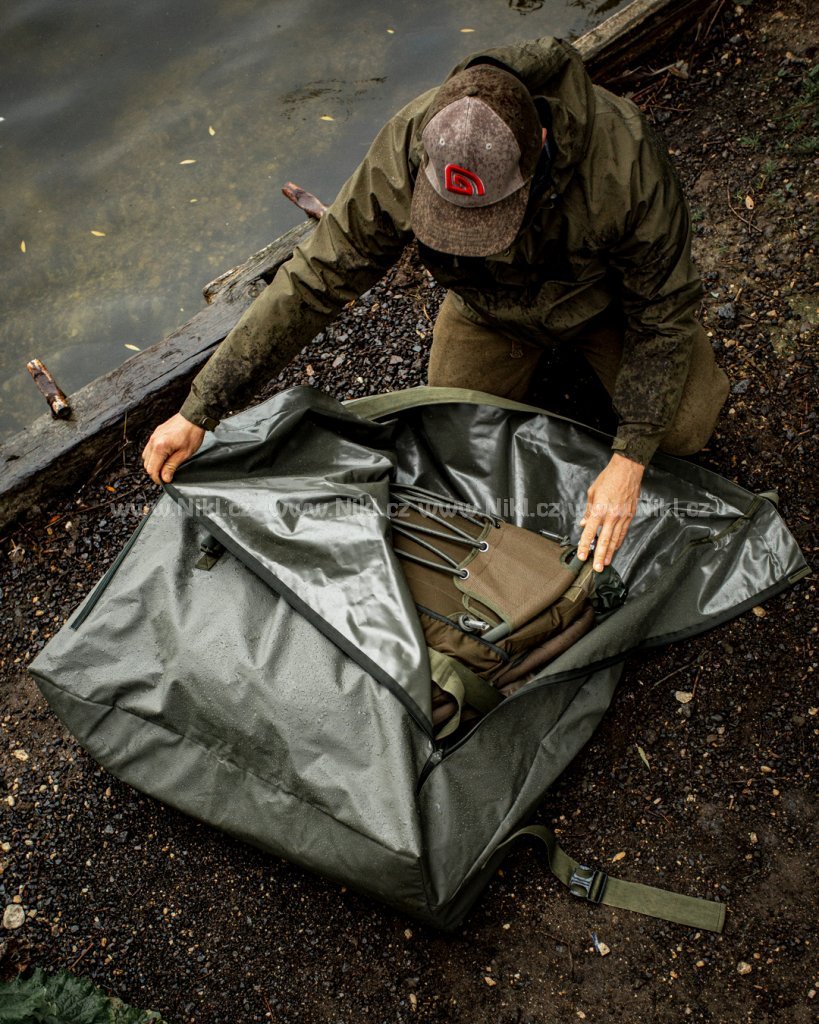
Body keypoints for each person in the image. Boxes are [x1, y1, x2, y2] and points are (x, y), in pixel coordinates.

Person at [142, 37, 728, 572]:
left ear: (540, 146)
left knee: (682, 430)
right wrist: (201, 407)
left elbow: (664, 311)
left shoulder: (622, 158)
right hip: (490, 312)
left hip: (602, 309)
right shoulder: (405, 149)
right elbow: (313, 280)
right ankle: (537, 367)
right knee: (452, 438)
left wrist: (630, 456)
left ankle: (596, 380)